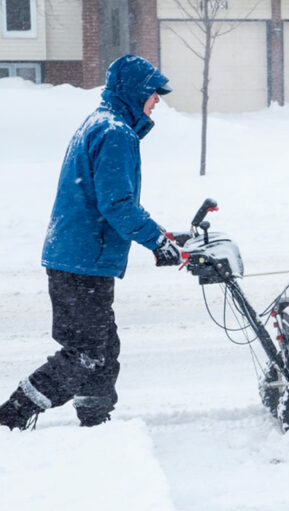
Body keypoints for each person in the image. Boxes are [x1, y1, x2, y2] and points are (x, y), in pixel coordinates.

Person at [0, 55, 183, 430]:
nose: (157, 100)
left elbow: (115, 200)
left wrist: (159, 235)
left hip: (79, 257)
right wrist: (156, 242)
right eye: (153, 92)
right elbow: (117, 204)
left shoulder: (102, 124)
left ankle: (95, 422)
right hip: (82, 260)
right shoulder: (115, 132)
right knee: (85, 354)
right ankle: (10, 416)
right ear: (134, 91)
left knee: (103, 350)